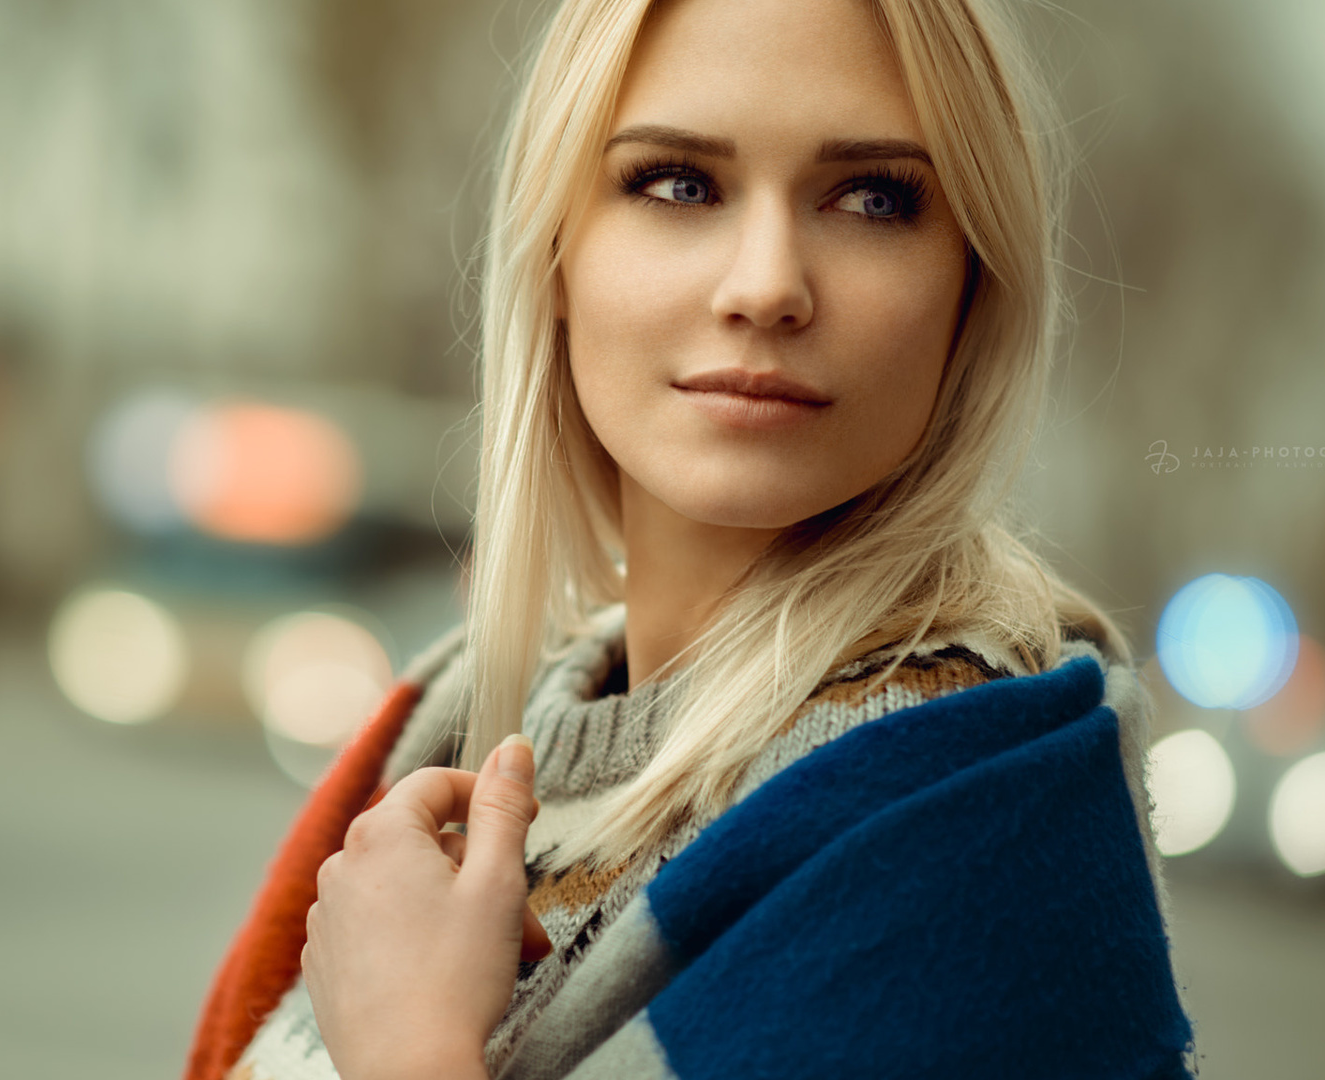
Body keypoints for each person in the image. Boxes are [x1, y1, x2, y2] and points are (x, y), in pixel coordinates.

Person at [187, 0, 1194, 1077]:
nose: (766, 285)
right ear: (559, 254)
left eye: (872, 197)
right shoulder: (447, 727)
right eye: (679, 183)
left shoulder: (984, 837)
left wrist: (410, 1052)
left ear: (972, 285)